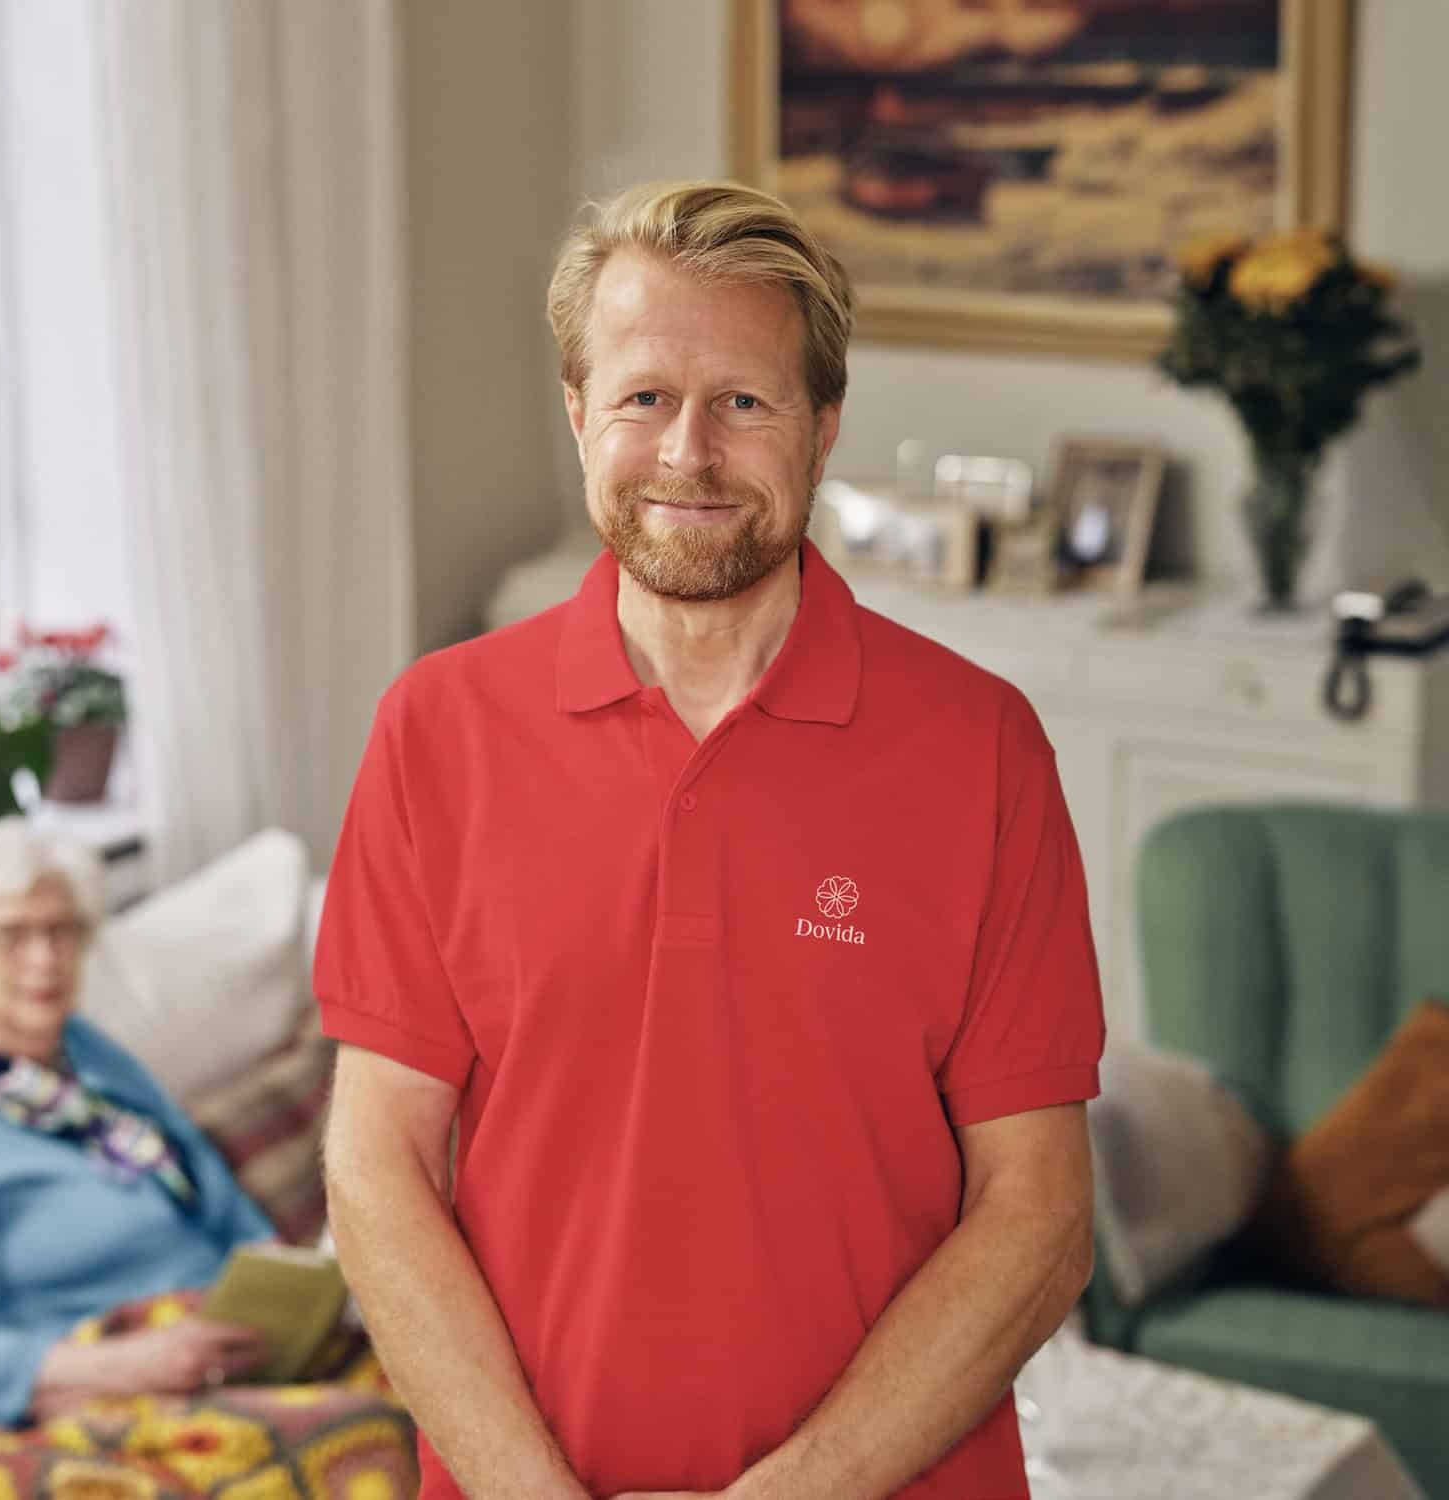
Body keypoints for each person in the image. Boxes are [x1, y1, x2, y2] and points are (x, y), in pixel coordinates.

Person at [315, 180, 1105, 1500]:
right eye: (643, 399)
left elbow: (1038, 1220)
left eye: (743, 401)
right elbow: (375, 1171)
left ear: (823, 426)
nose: (688, 452)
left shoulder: (983, 751)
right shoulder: (435, 732)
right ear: (577, 408)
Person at [0, 818, 275, 1427]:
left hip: (236, 1346)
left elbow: (216, 1197)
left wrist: (288, 1285)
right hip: (111, 1397)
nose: (45, 959)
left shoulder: (84, 1050)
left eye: (62, 931)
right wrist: (134, 1366)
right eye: (12, 936)